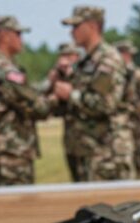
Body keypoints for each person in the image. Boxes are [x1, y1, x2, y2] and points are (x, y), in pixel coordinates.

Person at [54, 5, 133, 181]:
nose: (71, 32)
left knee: (108, 206)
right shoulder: (85, 61)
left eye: (76, 26)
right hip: (86, 150)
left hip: (106, 153)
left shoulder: (107, 60)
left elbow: (105, 104)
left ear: (92, 26)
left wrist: (70, 94)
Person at [0, 16, 56, 186]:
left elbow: (25, 94)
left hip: (5, 150)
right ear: (4, 36)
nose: (22, 39)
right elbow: (37, 107)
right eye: (18, 34)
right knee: (18, 208)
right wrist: (57, 98)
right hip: (11, 152)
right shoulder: (4, 71)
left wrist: (49, 84)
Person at [45, 43, 83, 182]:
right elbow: (51, 107)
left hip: (88, 140)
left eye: (68, 55)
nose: (64, 60)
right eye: (62, 56)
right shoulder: (59, 76)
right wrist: (52, 81)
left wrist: (71, 75)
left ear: (77, 56)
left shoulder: (86, 73)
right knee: (76, 180)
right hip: (71, 139)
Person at [117, 41, 140, 179]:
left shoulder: (139, 74)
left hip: (135, 122)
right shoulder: (115, 74)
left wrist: (134, 110)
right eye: (123, 54)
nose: (126, 56)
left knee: (139, 157)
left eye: (127, 54)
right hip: (119, 124)